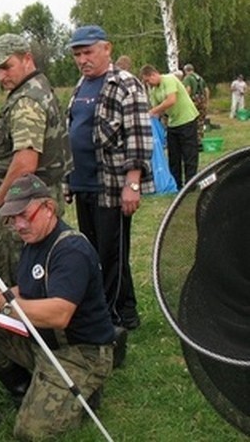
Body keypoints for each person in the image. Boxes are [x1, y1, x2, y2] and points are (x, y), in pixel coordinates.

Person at [0, 174, 115, 441]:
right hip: (41, 343)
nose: (19, 225)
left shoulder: (71, 251)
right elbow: (31, 287)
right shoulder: (34, 240)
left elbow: (59, 314)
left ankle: (85, 392)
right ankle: (23, 391)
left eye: (25, 215)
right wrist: (1, 295)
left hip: (79, 352)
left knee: (29, 433)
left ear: (49, 208)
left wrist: (4, 305)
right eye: (13, 218)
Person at [66, 25, 154, 331]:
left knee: (112, 254)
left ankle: (115, 317)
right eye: (77, 54)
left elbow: (139, 137)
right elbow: (73, 135)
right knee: (92, 253)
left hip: (112, 187)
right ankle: (122, 310)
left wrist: (132, 184)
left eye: (88, 52)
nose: (82, 59)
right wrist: (69, 180)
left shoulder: (125, 84)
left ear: (107, 48)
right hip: (84, 185)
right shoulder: (81, 86)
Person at [0, 33, 71, 287]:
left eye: (6, 67)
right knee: (34, 269)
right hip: (38, 198)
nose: (0, 76)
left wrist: (0, 200)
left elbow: (25, 163)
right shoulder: (38, 86)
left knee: (9, 274)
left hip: (22, 202)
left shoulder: (27, 101)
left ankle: (10, 324)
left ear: (27, 59)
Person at [140, 64, 199, 188]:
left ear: (154, 74)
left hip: (187, 119)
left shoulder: (169, 79)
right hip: (173, 123)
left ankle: (191, 184)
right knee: (173, 156)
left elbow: (171, 100)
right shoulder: (154, 91)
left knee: (189, 154)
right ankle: (177, 184)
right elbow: (157, 112)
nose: (148, 84)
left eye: (148, 80)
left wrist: (154, 111)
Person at [182, 63, 209, 146]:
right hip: (202, 100)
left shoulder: (188, 78)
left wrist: (186, 101)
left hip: (194, 101)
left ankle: (194, 141)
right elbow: (207, 90)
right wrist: (206, 102)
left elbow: (188, 90)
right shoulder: (200, 78)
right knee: (200, 121)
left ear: (186, 71)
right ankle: (200, 140)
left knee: (191, 121)